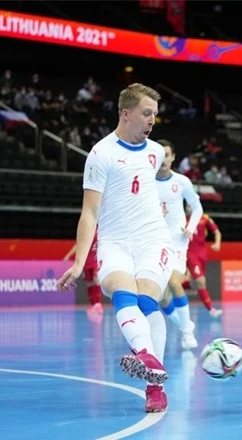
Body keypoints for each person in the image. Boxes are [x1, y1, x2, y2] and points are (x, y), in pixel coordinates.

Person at [58, 83, 174, 413]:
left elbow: (141, 189)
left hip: (153, 239)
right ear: (126, 113)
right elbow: (90, 212)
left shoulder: (156, 152)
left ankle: (154, 384)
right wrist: (80, 263)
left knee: (146, 298)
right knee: (122, 292)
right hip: (115, 241)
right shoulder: (101, 154)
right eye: (147, 113)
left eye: (155, 114)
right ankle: (151, 362)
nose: (153, 120)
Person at [154, 138, 203, 350]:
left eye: (167, 154)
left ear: (173, 157)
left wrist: (190, 228)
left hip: (177, 242)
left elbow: (197, 207)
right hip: (153, 242)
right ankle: (185, 325)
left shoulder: (182, 182)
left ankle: (186, 333)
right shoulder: (146, 182)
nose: (164, 159)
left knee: (174, 282)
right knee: (160, 296)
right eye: (160, 155)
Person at [182, 207, 224, 318]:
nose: (189, 207)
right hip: (191, 255)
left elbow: (217, 232)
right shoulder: (181, 218)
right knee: (201, 281)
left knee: (189, 280)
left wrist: (217, 244)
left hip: (203, 255)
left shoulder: (205, 217)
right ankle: (211, 310)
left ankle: (182, 286)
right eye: (187, 205)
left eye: (192, 204)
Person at [64, 228, 103, 319]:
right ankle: (94, 305)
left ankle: (98, 304)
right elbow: (79, 245)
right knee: (89, 283)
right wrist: (69, 255)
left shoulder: (100, 232)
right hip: (86, 262)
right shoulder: (88, 230)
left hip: (94, 261)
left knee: (95, 281)